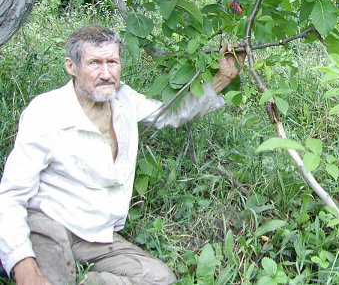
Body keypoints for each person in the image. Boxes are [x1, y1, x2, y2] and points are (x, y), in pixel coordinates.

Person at [0, 25, 245, 284]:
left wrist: (223, 77)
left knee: (160, 279)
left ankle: (89, 279)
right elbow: (11, 194)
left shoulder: (125, 99)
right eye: (95, 63)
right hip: (48, 222)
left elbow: (170, 114)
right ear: (71, 66)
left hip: (97, 233)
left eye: (112, 62)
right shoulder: (47, 112)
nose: (106, 74)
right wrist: (23, 265)